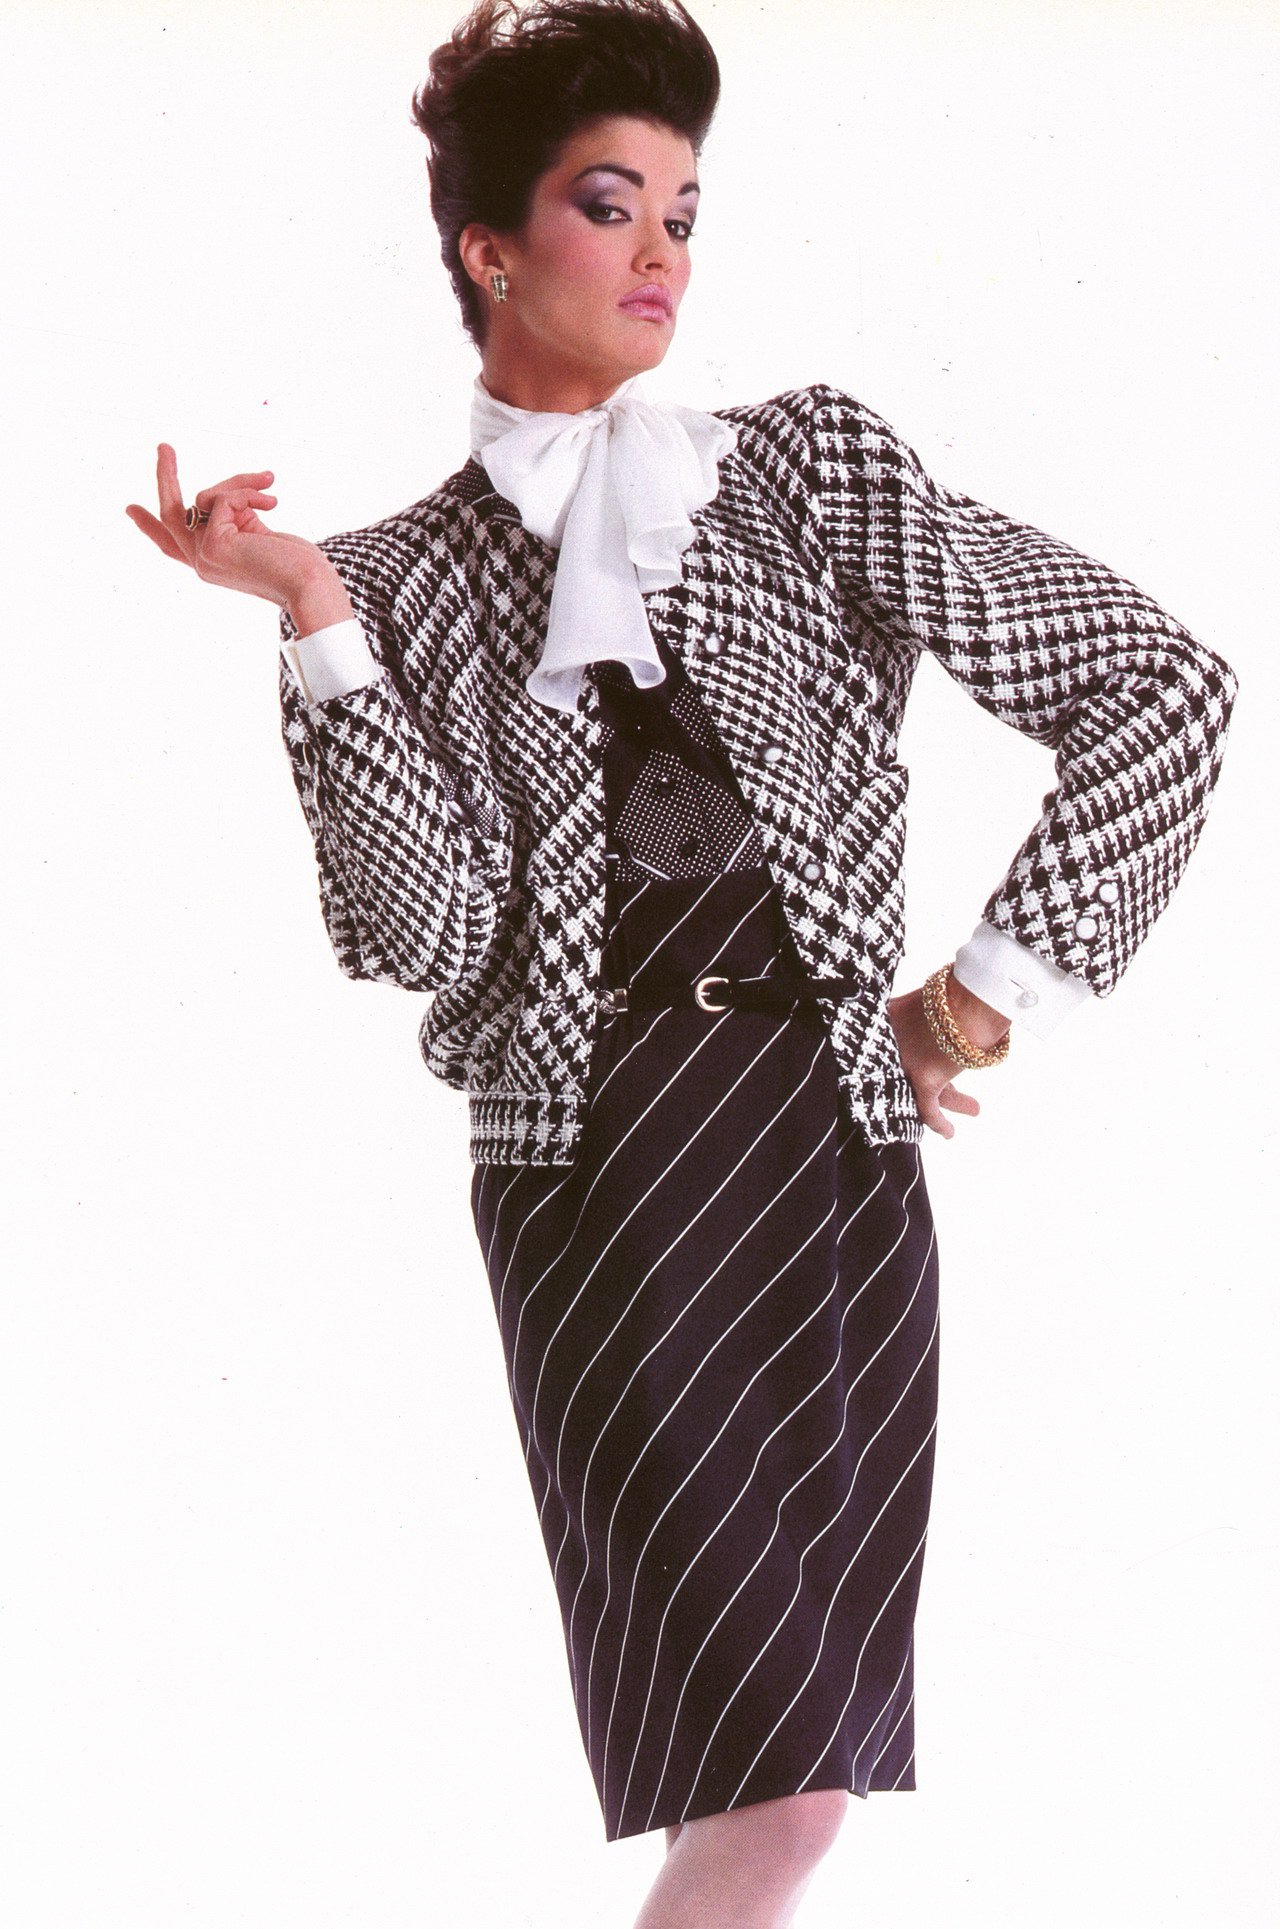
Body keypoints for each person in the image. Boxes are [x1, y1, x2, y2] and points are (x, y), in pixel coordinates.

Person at [124, 1, 1238, 1921]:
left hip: (831, 1159)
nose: (662, 253)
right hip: (606, 1176)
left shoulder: (804, 472)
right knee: (767, 1790)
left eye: (685, 214)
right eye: (610, 205)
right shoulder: (390, 583)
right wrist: (311, 618)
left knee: (805, 1786)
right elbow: (416, 934)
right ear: (490, 250)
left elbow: (1164, 687)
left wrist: (980, 994)